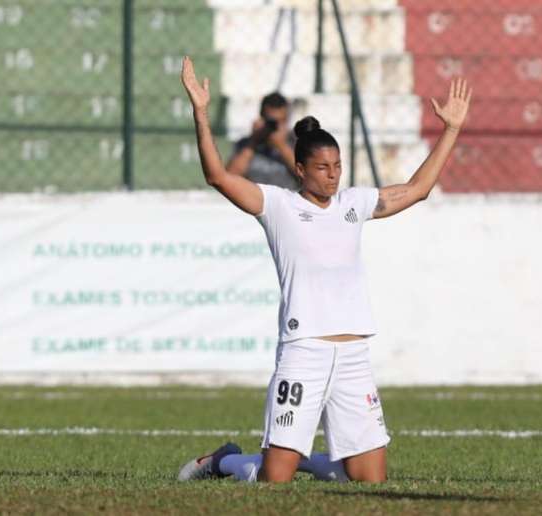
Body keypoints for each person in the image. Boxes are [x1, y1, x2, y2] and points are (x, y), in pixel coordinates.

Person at [178, 56, 471, 483]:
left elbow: (418, 189)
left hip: (353, 356)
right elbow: (218, 177)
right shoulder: (278, 206)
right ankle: (222, 462)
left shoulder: (354, 203)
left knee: (370, 482)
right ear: (300, 169)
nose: (332, 176)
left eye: (337, 167)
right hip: (304, 353)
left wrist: (452, 129)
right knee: (273, 481)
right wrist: (201, 113)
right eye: (322, 167)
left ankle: (310, 460)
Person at [226, 92, 299, 190]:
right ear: (261, 118)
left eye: (279, 122)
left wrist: (282, 146)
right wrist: (253, 142)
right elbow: (230, 177)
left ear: (287, 120)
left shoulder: (298, 143)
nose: (274, 127)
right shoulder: (245, 144)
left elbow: (307, 177)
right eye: (270, 122)